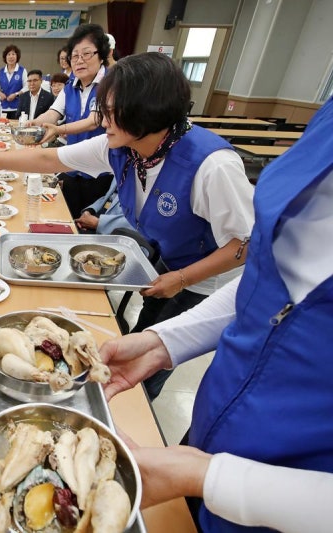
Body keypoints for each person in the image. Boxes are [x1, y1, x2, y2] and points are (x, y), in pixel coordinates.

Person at [0, 53, 254, 400]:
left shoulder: (212, 166)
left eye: (112, 111)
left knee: (157, 354)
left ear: (148, 110)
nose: (102, 120)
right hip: (172, 257)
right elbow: (47, 158)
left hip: (210, 282)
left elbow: (246, 244)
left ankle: (139, 402)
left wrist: (183, 279)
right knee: (145, 330)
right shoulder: (124, 146)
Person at [99, 97, 333, 533]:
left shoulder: (210, 162)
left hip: (275, 503)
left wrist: (209, 477)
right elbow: (265, 285)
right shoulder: (327, 124)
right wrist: (160, 342)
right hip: (210, 441)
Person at [33, 23, 115, 220]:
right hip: (71, 165)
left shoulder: (110, 83)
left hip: (99, 170)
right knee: (67, 217)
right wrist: (32, 124)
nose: (80, 61)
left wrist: (59, 129)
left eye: (86, 54)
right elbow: (53, 112)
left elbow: (94, 120)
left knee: (89, 220)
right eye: (75, 56)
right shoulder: (71, 86)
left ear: (101, 55)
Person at [0, 44, 28, 120]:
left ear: (17, 56)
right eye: (8, 54)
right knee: (2, 129)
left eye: (13, 54)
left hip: (17, 107)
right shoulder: (1, 71)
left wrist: (16, 94)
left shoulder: (22, 70)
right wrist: (0, 94)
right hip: (3, 108)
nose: (11, 57)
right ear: (5, 57)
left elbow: (27, 87)